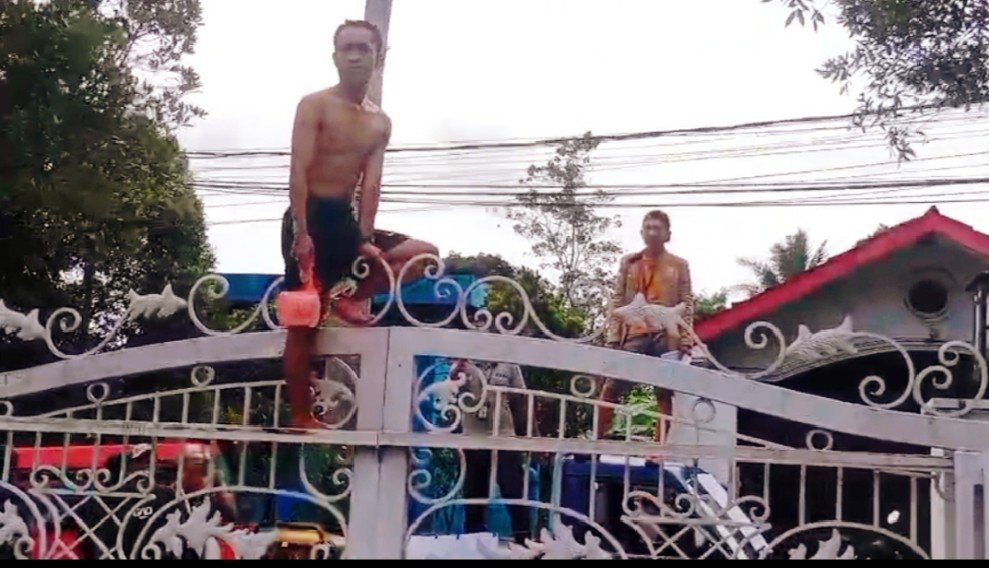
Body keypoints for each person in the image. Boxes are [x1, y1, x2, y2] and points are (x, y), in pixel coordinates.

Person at [282, 20, 437, 429]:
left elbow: (372, 184)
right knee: (304, 322)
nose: (354, 56)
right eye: (346, 49)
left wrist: (366, 240)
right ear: (334, 57)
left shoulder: (379, 122)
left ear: (377, 57)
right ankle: (301, 415)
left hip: (345, 223)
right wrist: (301, 233)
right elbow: (298, 170)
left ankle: (348, 297)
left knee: (422, 254)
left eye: (363, 49)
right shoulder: (314, 104)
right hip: (309, 218)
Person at [596, 210, 695, 441]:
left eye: (657, 228)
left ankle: (658, 449)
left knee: (664, 392)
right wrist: (612, 338)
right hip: (634, 332)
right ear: (641, 232)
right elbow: (618, 301)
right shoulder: (629, 263)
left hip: (666, 334)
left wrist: (686, 339)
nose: (652, 232)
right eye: (648, 227)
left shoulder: (679, 265)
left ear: (667, 234)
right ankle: (597, 440)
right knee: (612, 386)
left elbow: (687, 303)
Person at [455, 359, 536, 541]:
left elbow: (520, 402)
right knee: (475, 494)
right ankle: (474, 541)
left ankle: (525, 541)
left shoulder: (509, 364)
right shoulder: (463, 361)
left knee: (514, 490)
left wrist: (531, 437)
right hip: (473, 437)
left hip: (504, 436)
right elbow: (449, 392)